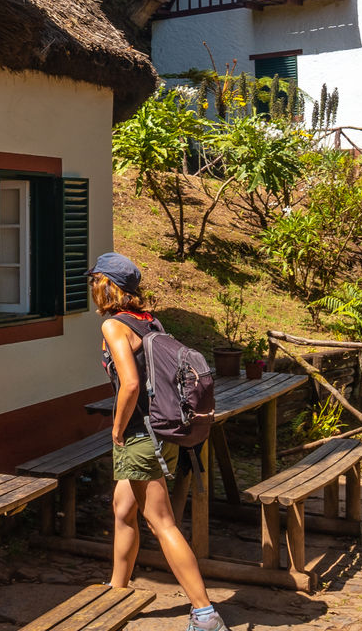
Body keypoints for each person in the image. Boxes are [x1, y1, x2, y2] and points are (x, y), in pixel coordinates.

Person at [90, 253, 227, 631]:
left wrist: (117, 430)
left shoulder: (115, 327)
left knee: (160, 521)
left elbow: (130, 384)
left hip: (139, 435)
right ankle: (116, 592)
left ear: (106, 286)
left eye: (93, 282)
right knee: (123, 508)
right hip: (162, 429)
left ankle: (204, 613)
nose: (91, 289)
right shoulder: (149, 320)